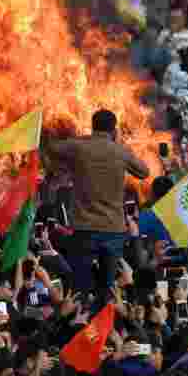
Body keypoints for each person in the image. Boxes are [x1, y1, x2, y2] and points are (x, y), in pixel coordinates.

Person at [47, 109, 149, 307]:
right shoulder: (120, 151)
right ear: (114, 129)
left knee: (80, 288)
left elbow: (52, 148)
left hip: (84, 228)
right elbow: (144, 172)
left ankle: (79, 325)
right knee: (107, 288)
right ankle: (104, 327)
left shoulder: (79, 147)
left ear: (93, 126)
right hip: (113, 229)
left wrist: (82, 138)